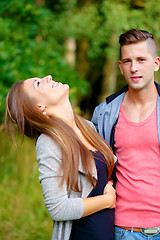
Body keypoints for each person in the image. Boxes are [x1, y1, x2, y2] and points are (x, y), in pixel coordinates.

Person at [5, 75, 116, 240]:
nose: (48, 77)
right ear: (38, 106)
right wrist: (107, 200)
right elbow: (58, 208)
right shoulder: (49, 141)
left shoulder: (88, 127)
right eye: (37, 83)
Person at [92, 28, 160, 240]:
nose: (134, 68)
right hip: (123, 230)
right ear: (120, 67)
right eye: (127, 61)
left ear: (156, 63)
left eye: (141, 60)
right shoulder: (104, 113)